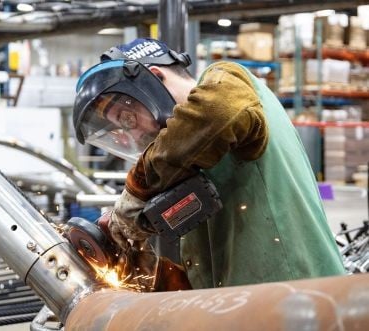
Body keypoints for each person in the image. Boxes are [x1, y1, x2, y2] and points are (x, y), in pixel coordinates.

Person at [73, 38, 345, 289]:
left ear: (154, 79)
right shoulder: (186, 159)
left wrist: (139, 185)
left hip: (303, 299)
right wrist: (144, 267)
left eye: (128, 119)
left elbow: (222, 111)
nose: (133, 135)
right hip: (254, 308)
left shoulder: (226, 80)